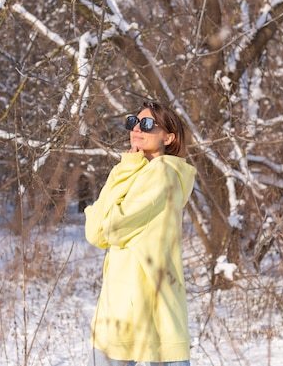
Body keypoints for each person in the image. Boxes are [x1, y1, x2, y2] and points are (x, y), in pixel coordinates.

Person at [84, 101, 196, 366]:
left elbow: (109, 227)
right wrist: (126, 166)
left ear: (168, 137)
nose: (137, 128)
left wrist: (105, 218)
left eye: (147, 124)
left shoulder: (163, 173)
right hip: (123, 297)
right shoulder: (134, 170)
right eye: (133, 121)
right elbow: (95, 233)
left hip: (145, 298)